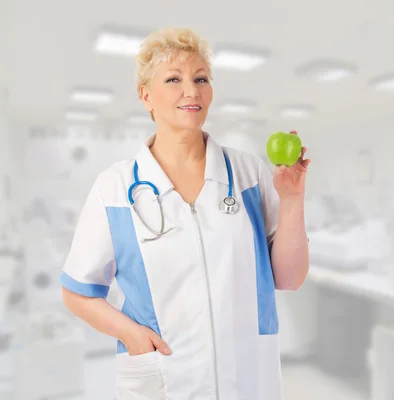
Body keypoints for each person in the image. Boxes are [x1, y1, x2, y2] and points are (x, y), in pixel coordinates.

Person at [59, 27, 311, 400]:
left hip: (246, 376)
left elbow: (290, 279)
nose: (191, 90)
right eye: (173, 79)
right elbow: (77, 292)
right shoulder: (114, 189)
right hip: (164, 376)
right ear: (146, 95)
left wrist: (291, 199)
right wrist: (130, 334)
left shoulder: (248, 174)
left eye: (201, 79)